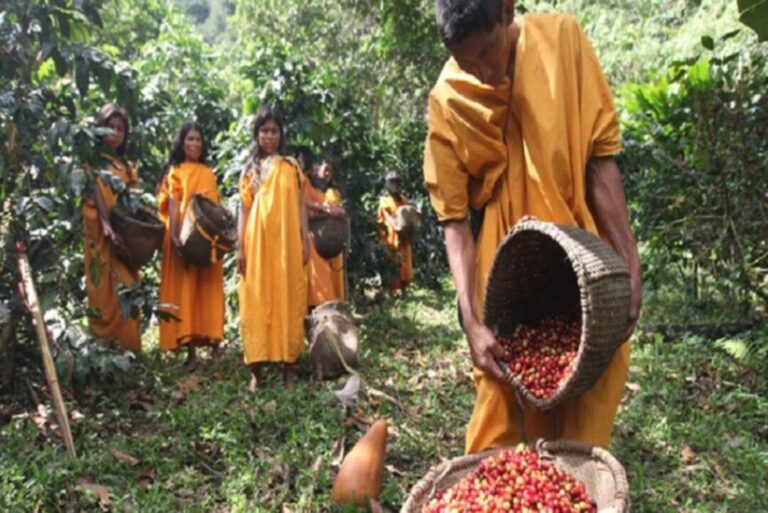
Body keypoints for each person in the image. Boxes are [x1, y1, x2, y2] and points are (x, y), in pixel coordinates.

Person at [423, 0, 643, 453]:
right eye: (466, 61)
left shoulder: (561, 41)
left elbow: (599, 161)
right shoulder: (447, 99)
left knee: (590, 395)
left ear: (506, 12)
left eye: (487, 52)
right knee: (500, 407)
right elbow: (454, 219)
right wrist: (470, 319)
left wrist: (630, 262)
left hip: (582, 253)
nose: (481, 71)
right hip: (505, 270)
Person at [238, 107, 309, 390]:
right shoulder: (251, 169)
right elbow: (244, 209)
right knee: (257, 298)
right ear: (257, 134)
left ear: (281, 135)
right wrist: (240, 249)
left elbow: (301, 205)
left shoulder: (291, 166)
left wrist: (305, 238)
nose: (269, 136)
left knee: (288, 297)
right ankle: (256, 368)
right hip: (257, 244)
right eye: (264, 131)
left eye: (274, 131)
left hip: (288, 243)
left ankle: (288, 366)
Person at [157, 121, 225, 371]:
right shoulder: (175, 171)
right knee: (187, 290)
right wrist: (175, 236)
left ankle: (216, 345)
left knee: (209, 288)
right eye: (190, 139)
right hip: (185, 237)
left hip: (208, 238)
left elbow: (215, 207)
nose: (194, 144)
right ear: (181, 143)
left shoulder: (208, 172)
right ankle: (191, 351)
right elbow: (174, 204)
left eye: (198, 139)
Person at [82, 103, 141, 352]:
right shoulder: (93, 162)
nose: (115, 133)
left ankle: (127, 349)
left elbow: (133, 202)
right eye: (110, 127)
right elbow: (94, 191)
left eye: (120, 129)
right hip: (98, 231)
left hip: (122, 235)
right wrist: (105, 225)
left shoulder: (126, 167)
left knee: (127, 286)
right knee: (101, 289)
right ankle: (103, 350)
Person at [299, 148, 347, 308]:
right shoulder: (303, 182)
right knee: (318, 275)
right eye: (321, 167)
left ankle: (331, 307)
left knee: (326, 274)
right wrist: (323, 208)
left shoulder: (321, 188)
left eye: (330, 170)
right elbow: (302, 204)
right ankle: (321, 309)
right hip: (312, 234)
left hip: (326, 235)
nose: (326, 173)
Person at [377, 170, 414, 293]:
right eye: (391, 181)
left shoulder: (403, 199)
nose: (394, 184)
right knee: (392, 261)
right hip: (390, 236)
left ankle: (404, 289)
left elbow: (408, 215)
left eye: (396, 181)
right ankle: (392, 290)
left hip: (403, 235)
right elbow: (387, 218)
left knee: (405, 261)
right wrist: (396, 226)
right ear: (387, 183)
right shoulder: (384, 200)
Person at [317, 157, 346, 301]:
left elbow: (341, 209)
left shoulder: (335, 191)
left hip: (334, 237)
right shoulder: (313, 189)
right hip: (318, 238)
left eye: (330, 170)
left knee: (336, 272)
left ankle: (337, 303)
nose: (328, 173)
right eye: (325, 170)